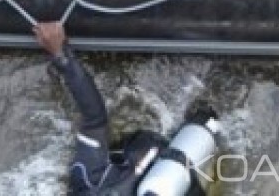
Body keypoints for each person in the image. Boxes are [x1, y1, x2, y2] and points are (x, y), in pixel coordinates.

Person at [34, 21, 215, 195]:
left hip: (173, 158)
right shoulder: (89, 184)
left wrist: (61, 55)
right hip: (174, 158)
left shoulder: (89, 183)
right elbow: (94, 119)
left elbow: (95, 120)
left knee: (210, 121)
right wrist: (61, 56)